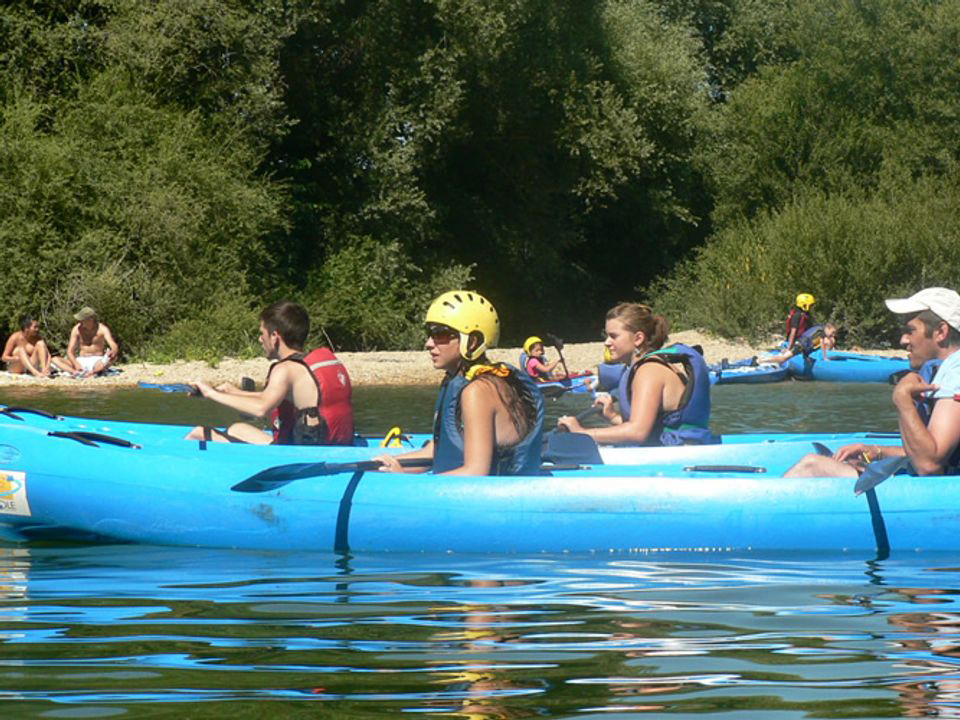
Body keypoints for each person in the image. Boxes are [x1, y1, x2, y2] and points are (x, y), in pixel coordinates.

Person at [785, 287, 960, 478]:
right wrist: (875, 451)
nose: (903, 339)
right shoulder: (943, 369)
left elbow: (929, 465)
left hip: (943, 492)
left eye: (910, 331)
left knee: (811, 466)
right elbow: (936, 453)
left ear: (941, 332)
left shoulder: (956, 371)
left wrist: (902, 399)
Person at [374, 290, 544, 476]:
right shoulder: (457, 382)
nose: (429, 343)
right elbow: (434, 453)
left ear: (472, 342)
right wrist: (389, 464)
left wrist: (408, 483)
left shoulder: (478, 391)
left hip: (492, 499)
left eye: (441, 334)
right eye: (429, 333)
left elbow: (476, 472)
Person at [185, 301, 354, 445]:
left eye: (262, 333)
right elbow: (272, 399)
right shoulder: (311, 365)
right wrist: (236, 393)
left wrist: (210, 393)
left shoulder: (285, 369)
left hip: (300, 457)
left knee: (200, 433)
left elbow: (260, 409)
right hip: (328, 445)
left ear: (274, 337)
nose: (260, 339)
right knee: (238, 428)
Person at [556, 302, 717, 446]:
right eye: (607, 336)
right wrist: (612, 417)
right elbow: (652, 426)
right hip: (683, 447)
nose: (607, 342)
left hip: (680, 456)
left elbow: (637, 433)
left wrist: (582, 433)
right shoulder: (653, 365)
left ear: (638, 338)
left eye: (613, 336)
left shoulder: (649, 371)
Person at [2, 315, 69, 377]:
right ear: (26, 328)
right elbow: (4, 357)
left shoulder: (38, 338)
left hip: (30, 366)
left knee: (41, 344)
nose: (37, 329)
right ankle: (36, 373)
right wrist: (16, 358)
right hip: (17, 366)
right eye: (35, 327)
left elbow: (48, 355)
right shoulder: (15, 337)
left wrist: (47, 367)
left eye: (38, 327)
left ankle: (43, 370)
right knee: (20, 349)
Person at [62, 307, 120, 377]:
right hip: (81, 360)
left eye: (82, 320)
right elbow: (69, 351)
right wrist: (75, 363)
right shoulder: (76, 329)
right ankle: (76, 372)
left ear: (90, 320)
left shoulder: (102, 329)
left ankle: (93, 371)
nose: (80, 322)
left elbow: (113, 344)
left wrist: (113, 351)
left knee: (112, 358)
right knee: (55, 360)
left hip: (97, 360)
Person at [765, 322, 838, 364]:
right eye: (832, 332)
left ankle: (766, 359)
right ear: (828, 328)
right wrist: (825, 358)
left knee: (784, 357)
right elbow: (822, 344)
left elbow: (810, 342)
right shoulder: (822, 332)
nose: (833, 335)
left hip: (802, 345)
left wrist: (806, 356)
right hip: (800, 346)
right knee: (783, 359)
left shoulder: (820, 328)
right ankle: (762, 360)